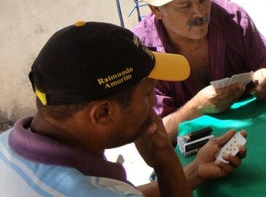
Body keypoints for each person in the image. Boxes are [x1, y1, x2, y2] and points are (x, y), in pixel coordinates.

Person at [0, 21, 247, 196]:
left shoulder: (5, 145)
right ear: (103, 113)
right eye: (147, 94)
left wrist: (192, 173)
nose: (153, 104)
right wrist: (166, 162)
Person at [130, 0, 266, 140]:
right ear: (157, 10)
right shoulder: (141, 51)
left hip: (253, 133)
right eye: (185, 5)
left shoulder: (234, 18)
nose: (200, 13)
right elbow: (153, 136)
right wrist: (196, 108)